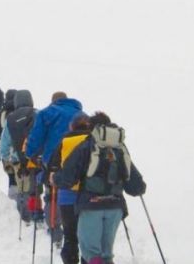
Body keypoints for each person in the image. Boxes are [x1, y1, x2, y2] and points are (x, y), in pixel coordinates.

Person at [54, 112, 146, 264]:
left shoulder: (87, 145)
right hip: (115, 206)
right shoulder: (120, 148)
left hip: (91, 205)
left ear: (92, 127)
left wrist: (55, 178)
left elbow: (68, 177)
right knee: (106, 254)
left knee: (91, 254)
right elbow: (134, 184)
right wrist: (140, 188)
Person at [25, 91, 84, 237]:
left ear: (53, 101)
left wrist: (31, 153)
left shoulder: (46, 113)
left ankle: (55, 227)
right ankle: (77, 226)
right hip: (80, 161)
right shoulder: (82, 115)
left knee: (53, 193)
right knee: (76, 192)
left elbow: (36, 136)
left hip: (53, 160)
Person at [48, 113, 92, 264]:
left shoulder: (64, 141)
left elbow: (52, 166)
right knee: (87, 238)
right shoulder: (93, 142)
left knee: (70, 236)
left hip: (67, 196)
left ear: (72, 126)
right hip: (89, 196)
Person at [0, 90, 39, 222]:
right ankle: (37, 212)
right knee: (36, 188)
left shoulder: (10, 118)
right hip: (37, 158)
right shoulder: (38, 114)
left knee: (23, 189)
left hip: (19, 160)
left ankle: (26, 216)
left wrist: (7, 158)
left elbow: (4, 144)